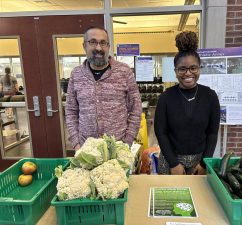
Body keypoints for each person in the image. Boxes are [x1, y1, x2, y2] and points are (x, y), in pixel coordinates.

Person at [65, 26, 142, 150]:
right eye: (93, 42)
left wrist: (127, 142)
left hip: (118, 148)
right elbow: (70, 111)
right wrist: (76, 143)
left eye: (103, 43)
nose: (98, 48)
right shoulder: (76, 74)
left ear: (108, 46)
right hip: (86, 150)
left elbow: (136, 109)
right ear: (84, 45)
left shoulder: (124, 71)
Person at [154, 31, 220, 175]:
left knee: (199, 196)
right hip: (170, 161)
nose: (188, 73)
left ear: (199, 68)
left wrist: (204, 163)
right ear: (175, 71)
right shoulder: (165, 97)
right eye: (182, 69)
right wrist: (173, 163)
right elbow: (161, 132)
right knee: (169, 196)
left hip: (200, 161)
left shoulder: (210, 96)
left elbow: (212, 133)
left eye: (193, 68)